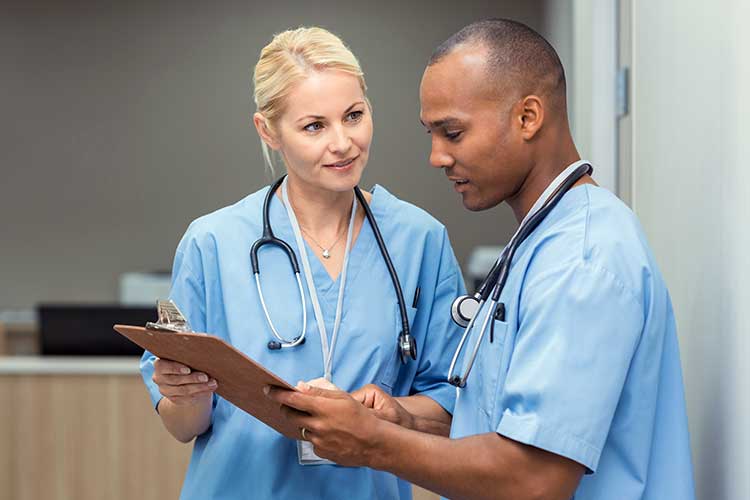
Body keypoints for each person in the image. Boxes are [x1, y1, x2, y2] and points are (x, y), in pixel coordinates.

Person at [266, 19, 695, 500]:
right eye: (431, 133)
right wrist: (402, 418)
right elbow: (494, 422)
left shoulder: (583, 258)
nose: (436, 156)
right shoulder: (540, 241)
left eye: (452, 132)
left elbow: (533, 478)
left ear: (528, 117)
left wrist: (373, 443)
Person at [139, 26, 465, 499]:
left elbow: (451, 403)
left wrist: (392, 412)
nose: (343, 143)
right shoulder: (212, 242)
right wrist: (184, 395)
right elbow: (184, 427)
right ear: (267, 130)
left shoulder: (419, 240)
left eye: (354, 116)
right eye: (315, 126)